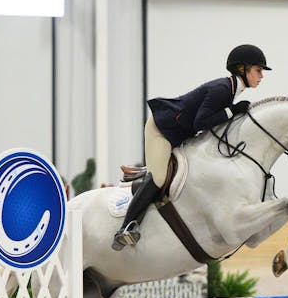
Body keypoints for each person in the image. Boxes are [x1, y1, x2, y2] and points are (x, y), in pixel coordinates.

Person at [112, 44, 271, 250]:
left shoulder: (231, 88)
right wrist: (232, 111)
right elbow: (201, 122)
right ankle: (126, 227)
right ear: (243, 69)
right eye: (258, 70)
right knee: (159, 178)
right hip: (162, 130)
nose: (261, 76)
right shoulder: (223, 89)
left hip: (179, 132)